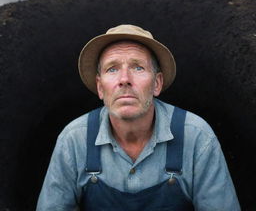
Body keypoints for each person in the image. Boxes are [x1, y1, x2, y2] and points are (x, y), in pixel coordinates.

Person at [36, 24, 241, 210]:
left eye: (138, 67)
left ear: (157, 84)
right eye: (112, 68)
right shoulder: (74, 139)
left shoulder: (196, 136)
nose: (124, 79)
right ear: (100, 87)